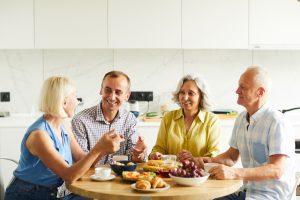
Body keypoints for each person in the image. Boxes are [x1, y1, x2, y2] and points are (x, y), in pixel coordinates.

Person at [4, 76, 124, 200]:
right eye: (75, 97)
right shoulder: (39, 136)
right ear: (63, 102)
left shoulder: (63, 126)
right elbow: (69, 175)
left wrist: (104, 149)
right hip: (26, 195)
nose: (78, 102)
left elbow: (81, 159)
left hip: (48, 194)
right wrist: (99, 148)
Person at [198, 66, 295, 199]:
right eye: (238, 86)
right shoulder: (241, 119)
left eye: (243, 87)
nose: (237, 91)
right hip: (245, 191)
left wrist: (234, 173)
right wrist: (208, 161)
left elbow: (276, 170)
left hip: (270, 196)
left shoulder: (277, 122)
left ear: (260, 92)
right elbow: (231, 157)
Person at [72, 71, 147, 164]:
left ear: (127, 96)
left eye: (118, 92)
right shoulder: (80, 120)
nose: (112, 97)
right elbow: (80, 163)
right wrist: (102, 150)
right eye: (108, 90)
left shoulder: (130, 119)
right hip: (89, 178)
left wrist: (138, 154)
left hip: (120, 177)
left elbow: (132, 160)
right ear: (101, 90)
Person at [149, 74, 221, 161]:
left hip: (201, 173)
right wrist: (155, 155)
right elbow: (159, 148)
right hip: (170, 173)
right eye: (182, 92)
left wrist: (194, 159)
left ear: (201, 96)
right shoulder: (168, 118)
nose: (185, 97)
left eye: (191, 93)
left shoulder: (212, 120)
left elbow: (214, 154)